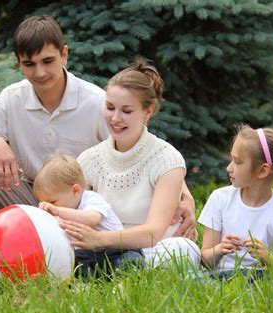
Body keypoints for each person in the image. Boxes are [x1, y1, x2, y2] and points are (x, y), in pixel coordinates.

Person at [0, 14, 197, 238]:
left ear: (64, 55)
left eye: (48, 61)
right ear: (19, 64)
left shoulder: (95, 102)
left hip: (77, 206)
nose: (39, 72)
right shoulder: (11, 98)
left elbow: (144, 148)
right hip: (27, 194)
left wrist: (185, 196)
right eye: (29, 64)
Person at [59, 60, 201, 269]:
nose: (115, 118)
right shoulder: (88, 160)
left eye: (126, 111)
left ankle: (127, 268)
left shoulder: (167, 159)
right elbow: (77, 217)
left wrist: (100, 240)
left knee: (181, 251)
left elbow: (153, 233)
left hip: (155, 248)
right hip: (104, 250)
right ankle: (119, 268)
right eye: (109, 107)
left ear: (148, 111)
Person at [198, 125, 273, 281]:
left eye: (237, 162)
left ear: (262, 171)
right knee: (193, 277)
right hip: (219, 279)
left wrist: (268, 258)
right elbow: (205, 261)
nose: (229, 168)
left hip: (260, 281)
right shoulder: (219, 199)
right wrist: (219, 249)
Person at [33, 155, 144, 279]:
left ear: (76, 191)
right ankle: (86, 284)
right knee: (76, 261)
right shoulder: (57, 213)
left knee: (130, 259)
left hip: (117, 249)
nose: (49, 208)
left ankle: (125, 282)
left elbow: (91, 219)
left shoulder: (91, 198)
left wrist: (58, 211)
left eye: (52, 202)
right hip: (91, 255)